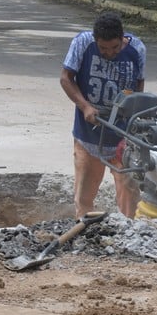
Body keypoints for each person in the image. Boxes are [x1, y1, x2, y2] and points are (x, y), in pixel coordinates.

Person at [60, 12, 145, 218]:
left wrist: (135, 115)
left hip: (122, 138)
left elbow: (139, 86)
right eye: (103, 48)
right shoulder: (82, 43)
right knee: (84, 197)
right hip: (88, 136)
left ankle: (128, 230)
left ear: (122, 38)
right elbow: (66, 79)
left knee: (129, 192)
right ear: (95, 40)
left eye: (115, 47)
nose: (109, 53)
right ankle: (85, 232)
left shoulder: (137, 49)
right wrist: (85, 106)